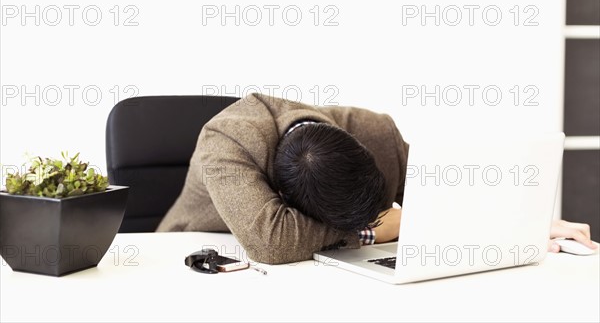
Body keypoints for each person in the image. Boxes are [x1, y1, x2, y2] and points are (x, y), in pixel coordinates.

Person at [158, 93, 596, 264]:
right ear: (285, 196)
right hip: (202, 257)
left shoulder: (377, 131)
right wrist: (385, 227)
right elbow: (273, 242)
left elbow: (437, 197)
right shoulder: (227, 141)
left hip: (324, 268)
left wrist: (521, 223)